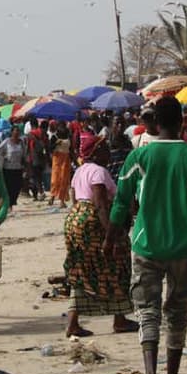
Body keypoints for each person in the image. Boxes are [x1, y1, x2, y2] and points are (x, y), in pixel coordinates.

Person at [110, 95, 187, 374]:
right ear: (182, 121)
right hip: (183, 246)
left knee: (148, 312)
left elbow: (121, 203)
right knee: (177, 312)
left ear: (154, 122)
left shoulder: (138, 157)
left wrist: (110, 239)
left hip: (146, 245)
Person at [64, 136, 138, 337]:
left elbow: (74, 199)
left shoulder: (80, 171)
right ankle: (119, 319)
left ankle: (73, 322)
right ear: (95, 153)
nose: (108, 152)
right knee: (118, 263)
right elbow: (100, 205)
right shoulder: (99, 172)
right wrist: (109, 237)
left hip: (75, 220)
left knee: (82, 271)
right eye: (104, 148)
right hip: (93, 222)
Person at [0, 127, 26, 206]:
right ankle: (7, 204)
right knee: (7, 188)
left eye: (18, 131)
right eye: (15, 131)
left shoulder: (21, 143)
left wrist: (26, 167)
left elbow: (24, 155)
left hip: (18, 169)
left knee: (17, 187)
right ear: (12, 132)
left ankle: (12, 202)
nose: (17, 133)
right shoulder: (7, 141)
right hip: (8, 169)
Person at [48, 122, 72, 207]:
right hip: (57, 160)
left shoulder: (68, 136)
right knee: (55, 179)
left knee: (64, 180)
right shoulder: (54, 137)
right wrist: (56, 144)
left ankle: (62, 200)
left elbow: (71, 149)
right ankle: (52, 197)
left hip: (66, 160)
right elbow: (49, 148)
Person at [26, 121, 49, 200]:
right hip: (41, 157)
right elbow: (47, 146)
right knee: (39, 176)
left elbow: (27, 147)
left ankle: (38, 193)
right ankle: (39, 192)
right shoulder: (44, 134)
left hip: (33, 157)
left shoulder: (30, 134)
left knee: (34, 176)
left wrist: (26, 157)